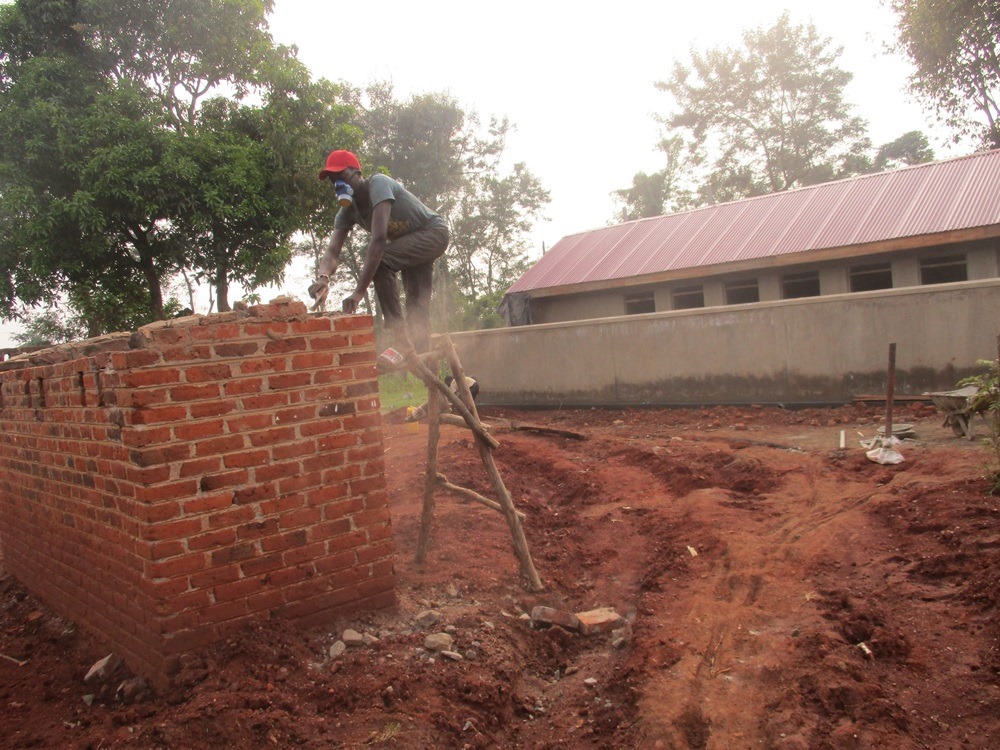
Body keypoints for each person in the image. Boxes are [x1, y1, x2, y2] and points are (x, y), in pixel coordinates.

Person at [308, 150, 449, 366]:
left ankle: (401, 341)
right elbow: (332, 252)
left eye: (341, 176)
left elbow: (379, 239)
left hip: (433, 232)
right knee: (417, 305)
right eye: (333, 180)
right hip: (409, 243)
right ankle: (426, 368)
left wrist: (359, 292)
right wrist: (323, 277)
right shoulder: (347, 212)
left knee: (381, 262)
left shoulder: (378, 184)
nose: (337, 184)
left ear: (357, 173)